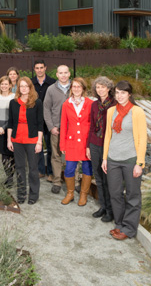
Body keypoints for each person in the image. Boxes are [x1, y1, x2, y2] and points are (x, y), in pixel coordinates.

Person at [102, 81, 147, 240]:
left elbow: (142, 138)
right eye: (117, 93)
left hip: (130, 160)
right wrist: (105, 158)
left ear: (129, 94)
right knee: (115, 193)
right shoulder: (111, 111)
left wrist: (139, 163)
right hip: (113, 159)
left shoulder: (137, 112)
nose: (120, 96)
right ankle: (120, 224)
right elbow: (108, 135)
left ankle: (129, 229)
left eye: (123, 92)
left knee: (133, 195)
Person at [7, 77, 44, 205]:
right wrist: (9, 140)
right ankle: (21, 194)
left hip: (32, 139)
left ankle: (33, 195)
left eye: (26, 86)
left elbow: (40, 124)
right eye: (21, 86)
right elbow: (10, 123)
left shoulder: (37, 102)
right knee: (20, 167)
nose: (23, 88)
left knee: (33, 168)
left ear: (30, 87)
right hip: (17, 139)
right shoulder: (13, 103)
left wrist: (39, 142)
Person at [59, 78, 93, 206]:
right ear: (71, 88)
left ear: (83, 88)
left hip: (86, 143)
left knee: (87, 168)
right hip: (71, 142)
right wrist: (62, 144)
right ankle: (70, 193)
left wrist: (91, 144)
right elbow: (63, 125)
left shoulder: (90, 103)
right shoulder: (66, 104)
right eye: (74, 86)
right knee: (69, 169)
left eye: (79, 87)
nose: (76, 89)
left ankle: (83, 194)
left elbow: (93, 125)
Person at [88, 76, 116, 222]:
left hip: (109, 145)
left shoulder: (115, 104)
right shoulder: (94, 105)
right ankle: (103, 206)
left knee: (108, 179)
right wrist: (88, 146)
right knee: (98, 177)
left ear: (109, 88)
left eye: (103, 87)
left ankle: (111, 210)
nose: (100, 90)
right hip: (94, 144)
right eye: (97, 87)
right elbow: (92, 126)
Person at [43, 65, 71, 194]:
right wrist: (51, 127)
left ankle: (74, 182)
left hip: (72, 129)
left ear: (69, 74)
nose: (63, 75)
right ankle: (57, 182)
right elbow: (46, 109)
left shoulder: (75, 88)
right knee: (56, 156)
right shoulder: (51, 89)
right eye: (61, 73)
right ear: (57, 74)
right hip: (57, 128)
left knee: (73, 156)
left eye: (65, 72)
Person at [32, 60, 56, 180]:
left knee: (51, 147)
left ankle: (51, 173)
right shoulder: (31, 83)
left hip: (50, 121)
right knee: (38, 147)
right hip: (36, 121)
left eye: (41, 67)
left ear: (45, 68)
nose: (39, 70)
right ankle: (41, 170)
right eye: (37, 68)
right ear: (34, 69)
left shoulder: (52, 83)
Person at [0, 76, 16, 187]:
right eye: (2, 84)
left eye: (6, 84)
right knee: (3, 155)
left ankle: (11, 175)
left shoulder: (14, 97)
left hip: (10, 128)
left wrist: (4, 127)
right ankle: (9, 177)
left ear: (10, 85)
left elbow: (13, 116)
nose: (4, 86)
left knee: (11, 154)